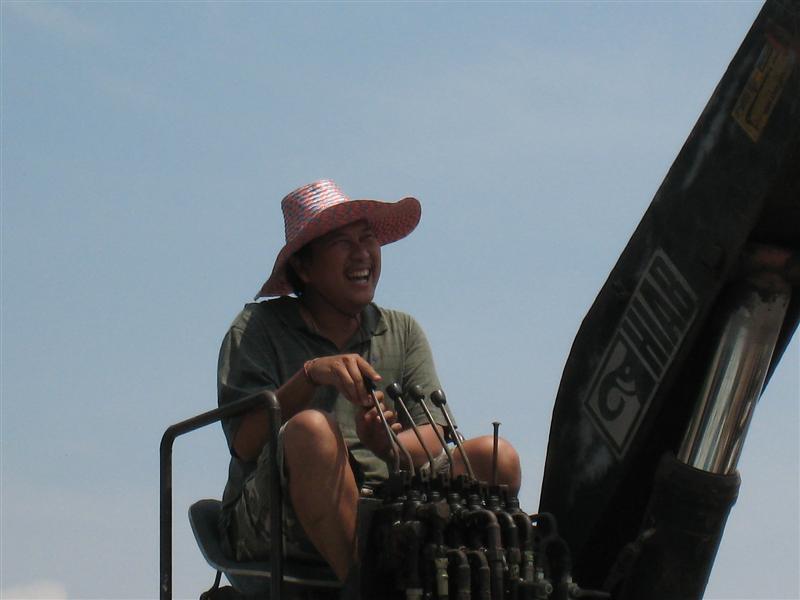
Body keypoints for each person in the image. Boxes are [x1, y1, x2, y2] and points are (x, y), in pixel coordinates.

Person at [217, 179, 521, 583]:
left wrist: (390, 446)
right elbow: (245, 443)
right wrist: (310, 376)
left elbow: (433, 433)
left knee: (496, 457)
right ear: (304, 268)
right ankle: (360, 586)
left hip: (388, 505)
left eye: (367, 239)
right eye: (341, 243)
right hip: (277, 514)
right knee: (312, 430)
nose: (361, 253)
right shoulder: (257, 328)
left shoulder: (401, 330)